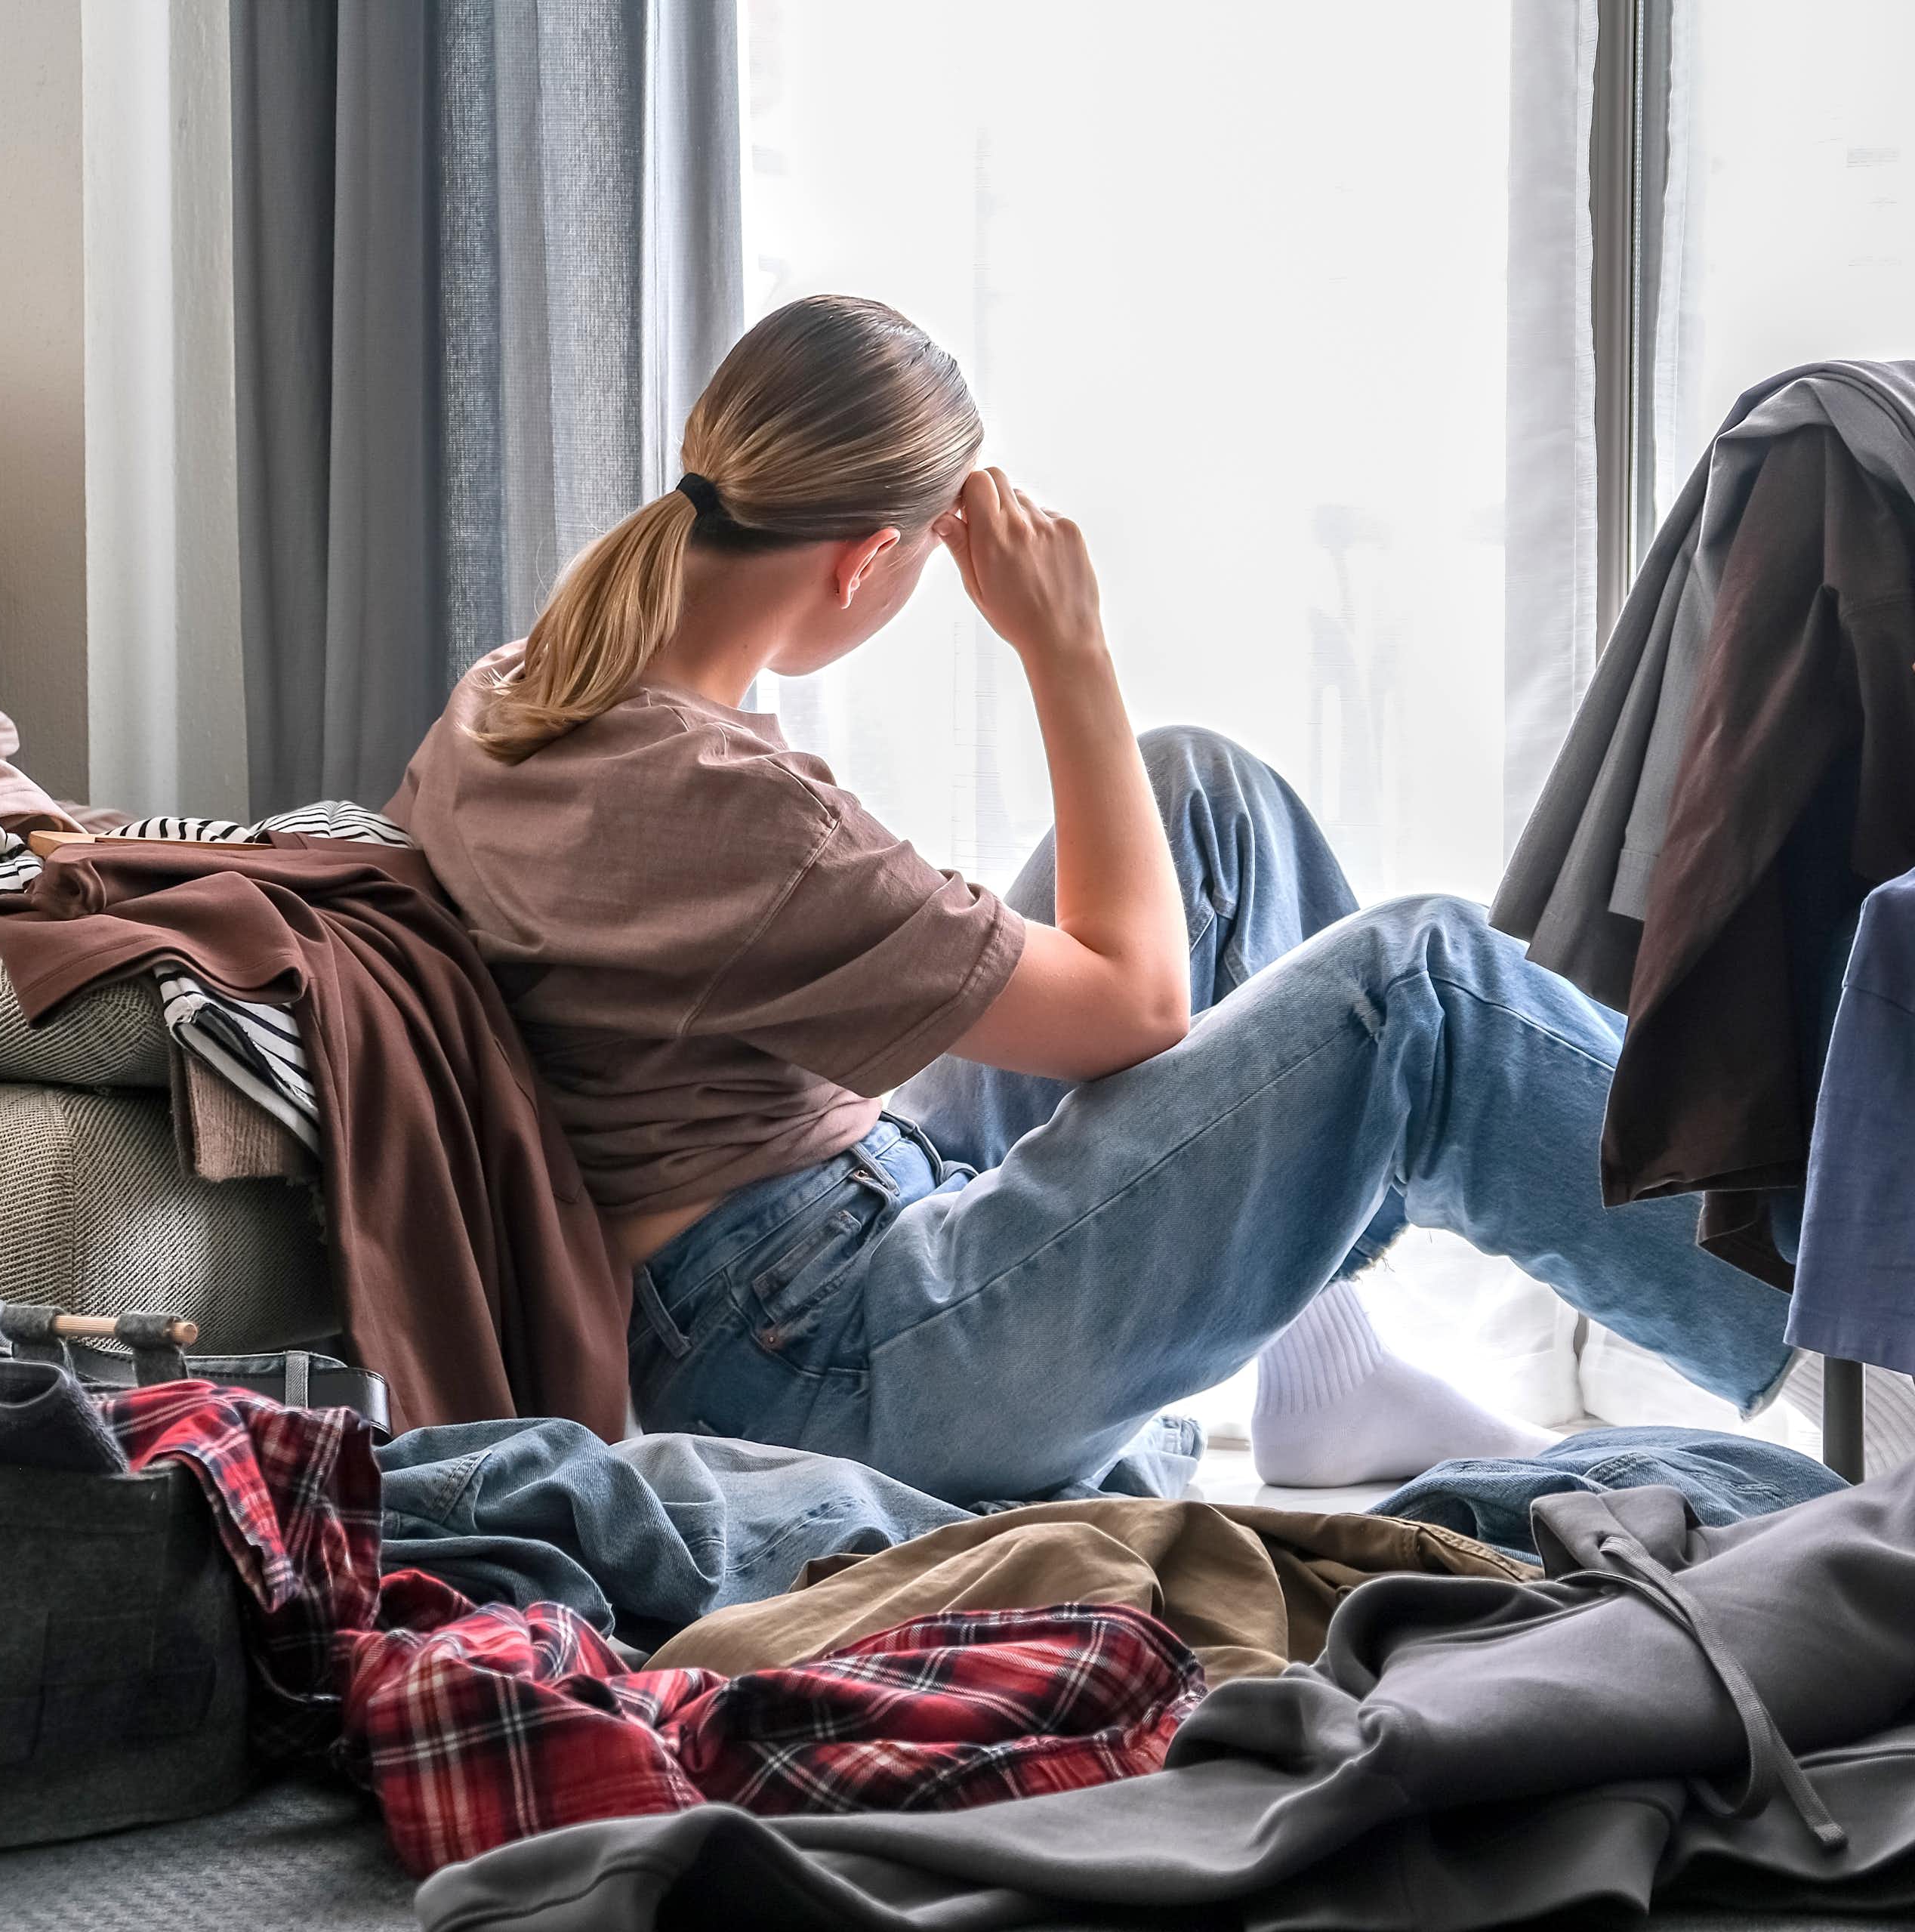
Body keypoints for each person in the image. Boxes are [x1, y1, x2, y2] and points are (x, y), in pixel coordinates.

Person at [388, 294, 1796, 1507]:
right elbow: (1137, 1009)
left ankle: (1328, 1374)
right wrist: (1067, 649)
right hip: (824, 1362)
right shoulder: (739, 812)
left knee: (1203, 798)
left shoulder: (516, 692)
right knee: (1423, 989)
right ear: (867, 558)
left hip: (797, 1244)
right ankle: (1848, 1341)